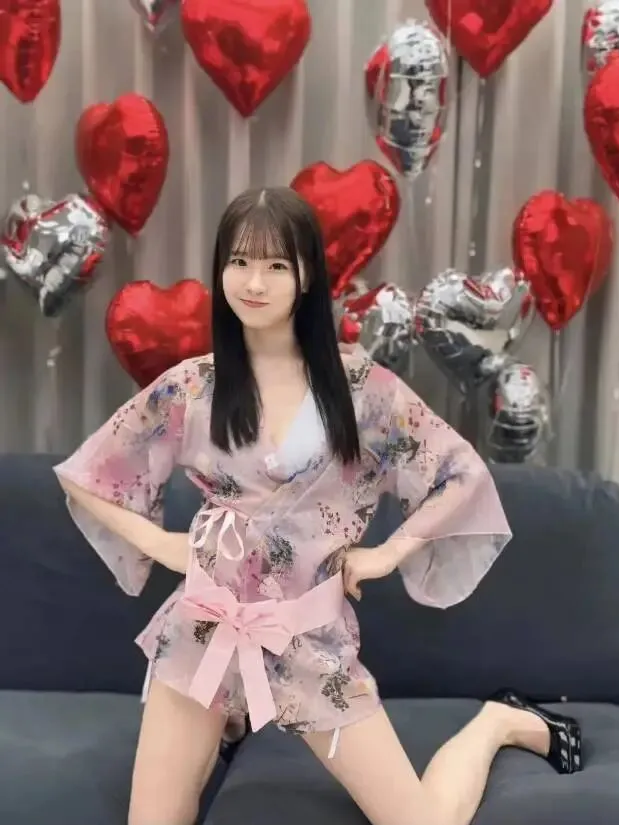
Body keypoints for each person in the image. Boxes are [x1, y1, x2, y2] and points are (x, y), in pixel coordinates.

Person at [54, 187, 582, 825]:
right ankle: (228, 727)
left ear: (306, 276)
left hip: (310, 640)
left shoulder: (363, 392)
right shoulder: (193, 387)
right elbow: (87, 476)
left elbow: (459, 474)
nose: (254, 282)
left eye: (276, 265)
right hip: (206, 630)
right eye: (239, 262)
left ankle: (498, 722)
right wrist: (162, 544)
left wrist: (388, 553)